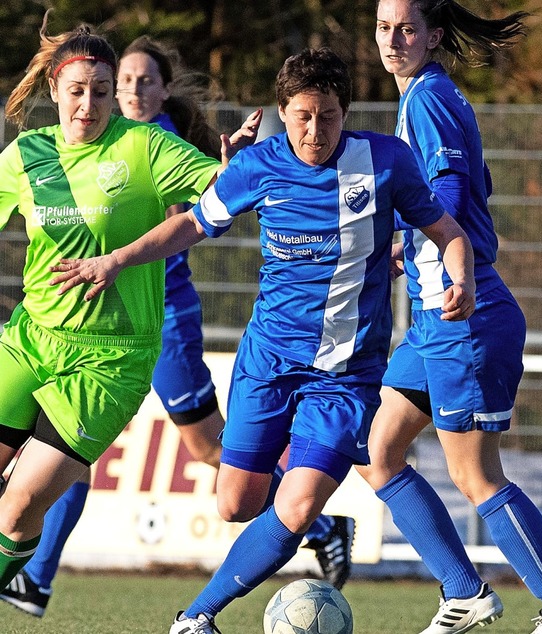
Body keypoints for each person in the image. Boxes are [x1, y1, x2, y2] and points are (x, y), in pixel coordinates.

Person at [49, 46, 476, 634]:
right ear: (282, 111)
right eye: (301, 115)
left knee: (297, 505)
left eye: (328, 115)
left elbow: (447, 229)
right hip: (267, 363)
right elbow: (192, 224)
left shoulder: (385, 161)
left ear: (344, 112)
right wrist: (118, 259)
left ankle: (195, 617)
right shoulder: (262, 165)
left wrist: (463, 276)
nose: (314, 129)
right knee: (235, 504)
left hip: (344, 376)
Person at [0, 35, 352, 619]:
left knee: (18, 508)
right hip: (29, 340)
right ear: (53, 92)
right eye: (76, 92)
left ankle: (31, 581)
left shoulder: (144, 146)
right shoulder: (25, 156)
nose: (89, 106)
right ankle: (34, 582)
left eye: (102, 92)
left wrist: (231, 166)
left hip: (109, 361)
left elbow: (222, 190)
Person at [355, 2, 542, 634]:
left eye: (407, 28)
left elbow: (450, 194)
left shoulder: (429, 98)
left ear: (434, 36)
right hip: (435, 317)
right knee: (374, 449)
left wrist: (447, 263)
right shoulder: (428, 95)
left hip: (462, 310)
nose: (393, 39)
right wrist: (399, 248)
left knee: (475, 474)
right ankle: (466, 594)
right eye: (384, 27)